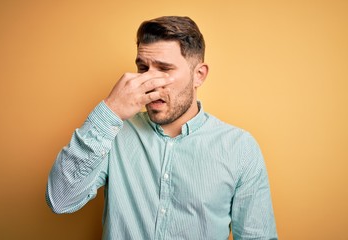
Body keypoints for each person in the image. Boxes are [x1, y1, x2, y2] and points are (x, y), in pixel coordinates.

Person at [46, 16, 278, 240]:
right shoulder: (114, 132)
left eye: (164, 69)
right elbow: (60, 200)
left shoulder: (240, 148)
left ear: (199, 75)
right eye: (143, 68)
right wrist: (110, 111)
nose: (149, 82)